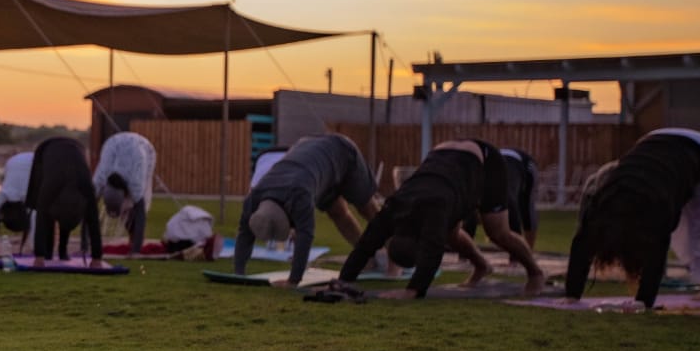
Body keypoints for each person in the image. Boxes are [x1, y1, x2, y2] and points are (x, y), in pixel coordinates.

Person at [339, 138, 545, 298]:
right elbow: (365, 245)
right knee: (451, 235)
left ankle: (535, 273)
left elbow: (433, 251)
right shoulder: (393, 207)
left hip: (485, 160)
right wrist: (343, 281)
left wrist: (414, 290)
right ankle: (482, 266)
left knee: (498, 232)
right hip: (444, 158)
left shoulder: (431, 215)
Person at [565, 128, 700, 309]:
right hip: (652, 140)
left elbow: (657, 253)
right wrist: (572, 294)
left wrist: (644, 301)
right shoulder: (601, 206)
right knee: (684, 235)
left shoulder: (656, 210)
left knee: (699, 229)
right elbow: (581, 244)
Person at [233, 133, 383, 286]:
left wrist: (293, 280)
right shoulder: (254, 196)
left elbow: (305, 236)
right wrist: (239, 274)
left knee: (367, 209)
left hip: (342, 151)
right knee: (337, 213)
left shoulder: (299, 194)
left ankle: (392, 259)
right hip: (315, 165)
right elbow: (244, 233)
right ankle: (365, 258)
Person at [25, 137, 106, 268]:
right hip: (71, 166)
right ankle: (92, 259)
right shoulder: (76, 161)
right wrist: (97, 257)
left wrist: (38, 257)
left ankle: (42, 256)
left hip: (58, 170)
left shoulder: (48, 155)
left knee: (43, 210)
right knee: (91, 212)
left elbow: (41, 211)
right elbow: (93, 219)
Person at [92, 131, 156, 254]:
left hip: (143, 147)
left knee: (133, 207)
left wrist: (136, 251)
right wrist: (85, 245)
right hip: (112, 144)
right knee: (125, 207)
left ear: (126, 193)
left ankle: (135, 241)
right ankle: (134, 240)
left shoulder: (136, 183)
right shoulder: (99, 180)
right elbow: (89, 210)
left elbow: (141, 213)